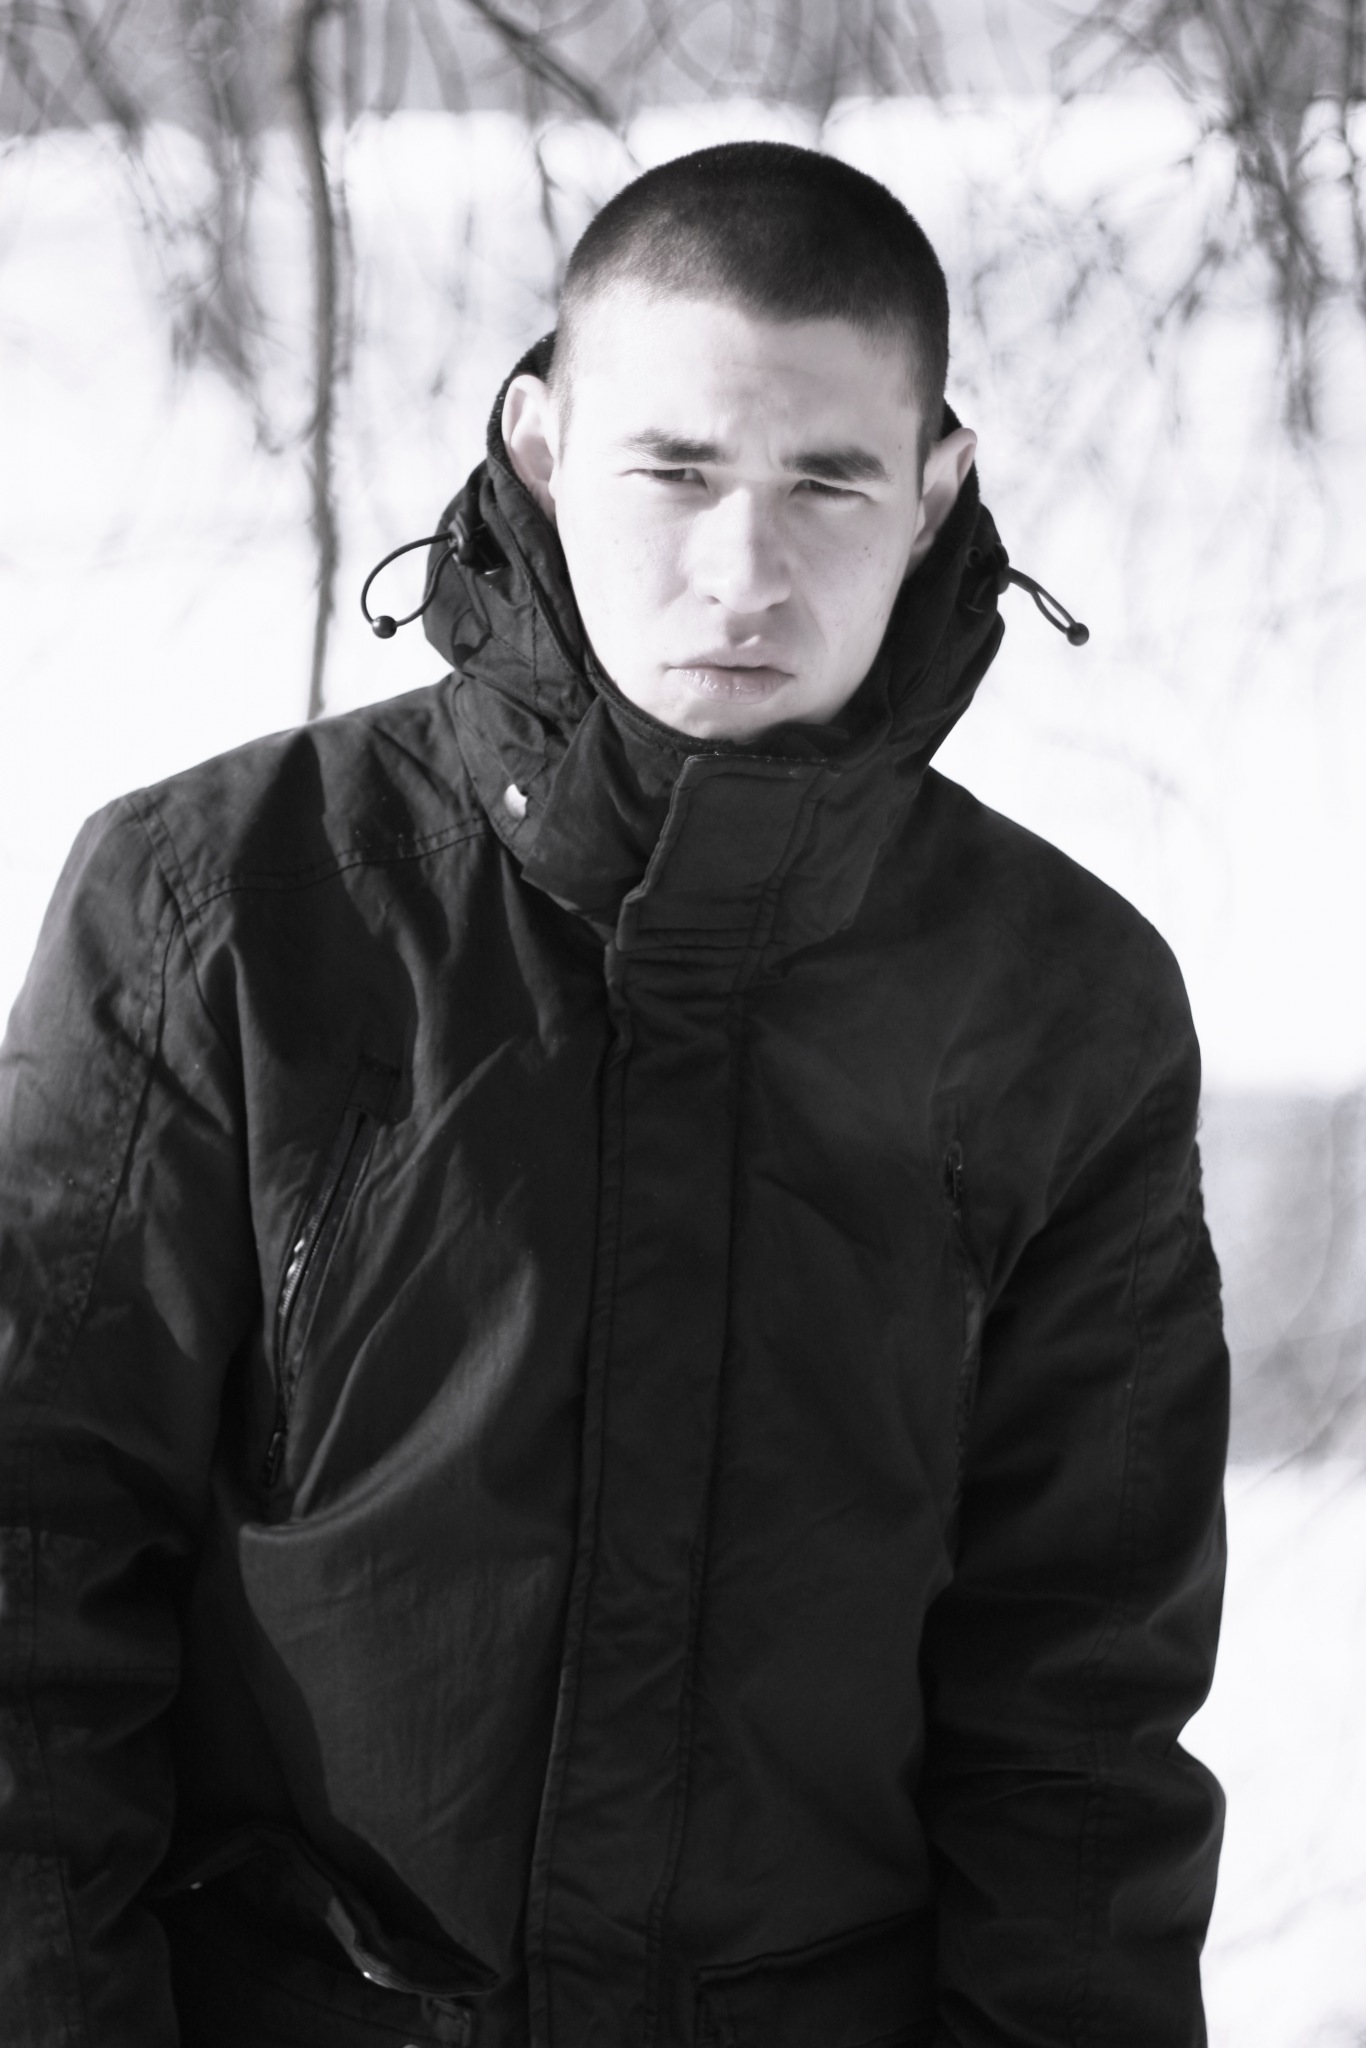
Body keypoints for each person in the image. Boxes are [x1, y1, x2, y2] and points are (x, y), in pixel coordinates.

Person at [0, 140, 1228, 2048]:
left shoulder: (1057, 1003)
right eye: (673, 471)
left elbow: (1077, 1714)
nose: (742, 572)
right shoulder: (223, 905)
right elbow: (35, 1575)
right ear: (544, 440)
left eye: (826, 481)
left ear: (933, 493)